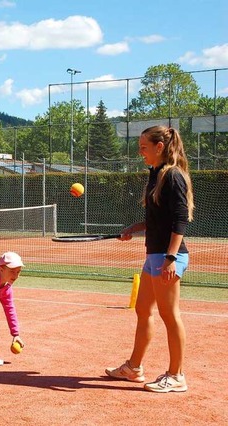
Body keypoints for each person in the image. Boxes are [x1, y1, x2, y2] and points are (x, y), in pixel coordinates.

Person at [105, 126, 194, 393]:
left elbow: (180, 221)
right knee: (143, 309)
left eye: (144, 147)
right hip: (155, 254)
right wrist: (135, 227)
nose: (140, 151)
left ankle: (176, 375)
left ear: (159, 147)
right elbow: (159, 219)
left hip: (167, 255)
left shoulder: (173, 176)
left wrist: (170, 258)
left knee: (170, 315)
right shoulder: (156, 174)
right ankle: (134, 368)